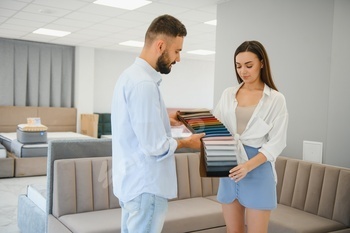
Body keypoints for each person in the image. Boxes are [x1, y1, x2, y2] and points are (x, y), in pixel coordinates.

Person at [111, 14, 205, 233]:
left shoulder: (129, 77)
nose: (178, 59)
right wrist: (187, 142)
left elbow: (135, 126)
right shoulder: (144, 85)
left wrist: (165, 120)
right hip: (147, 188)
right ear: (161, 45)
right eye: (177, 51)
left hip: (131, 185)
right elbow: (154, 146)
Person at [212, 40, 288, 233]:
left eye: (249, 65)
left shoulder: (276, 99)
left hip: (258, 171)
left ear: (262, 63)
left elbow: (277, 143)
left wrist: (247, 166)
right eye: (238, 66)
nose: (243, 71)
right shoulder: (228, 94)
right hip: (230, 170)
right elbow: (215, 128)